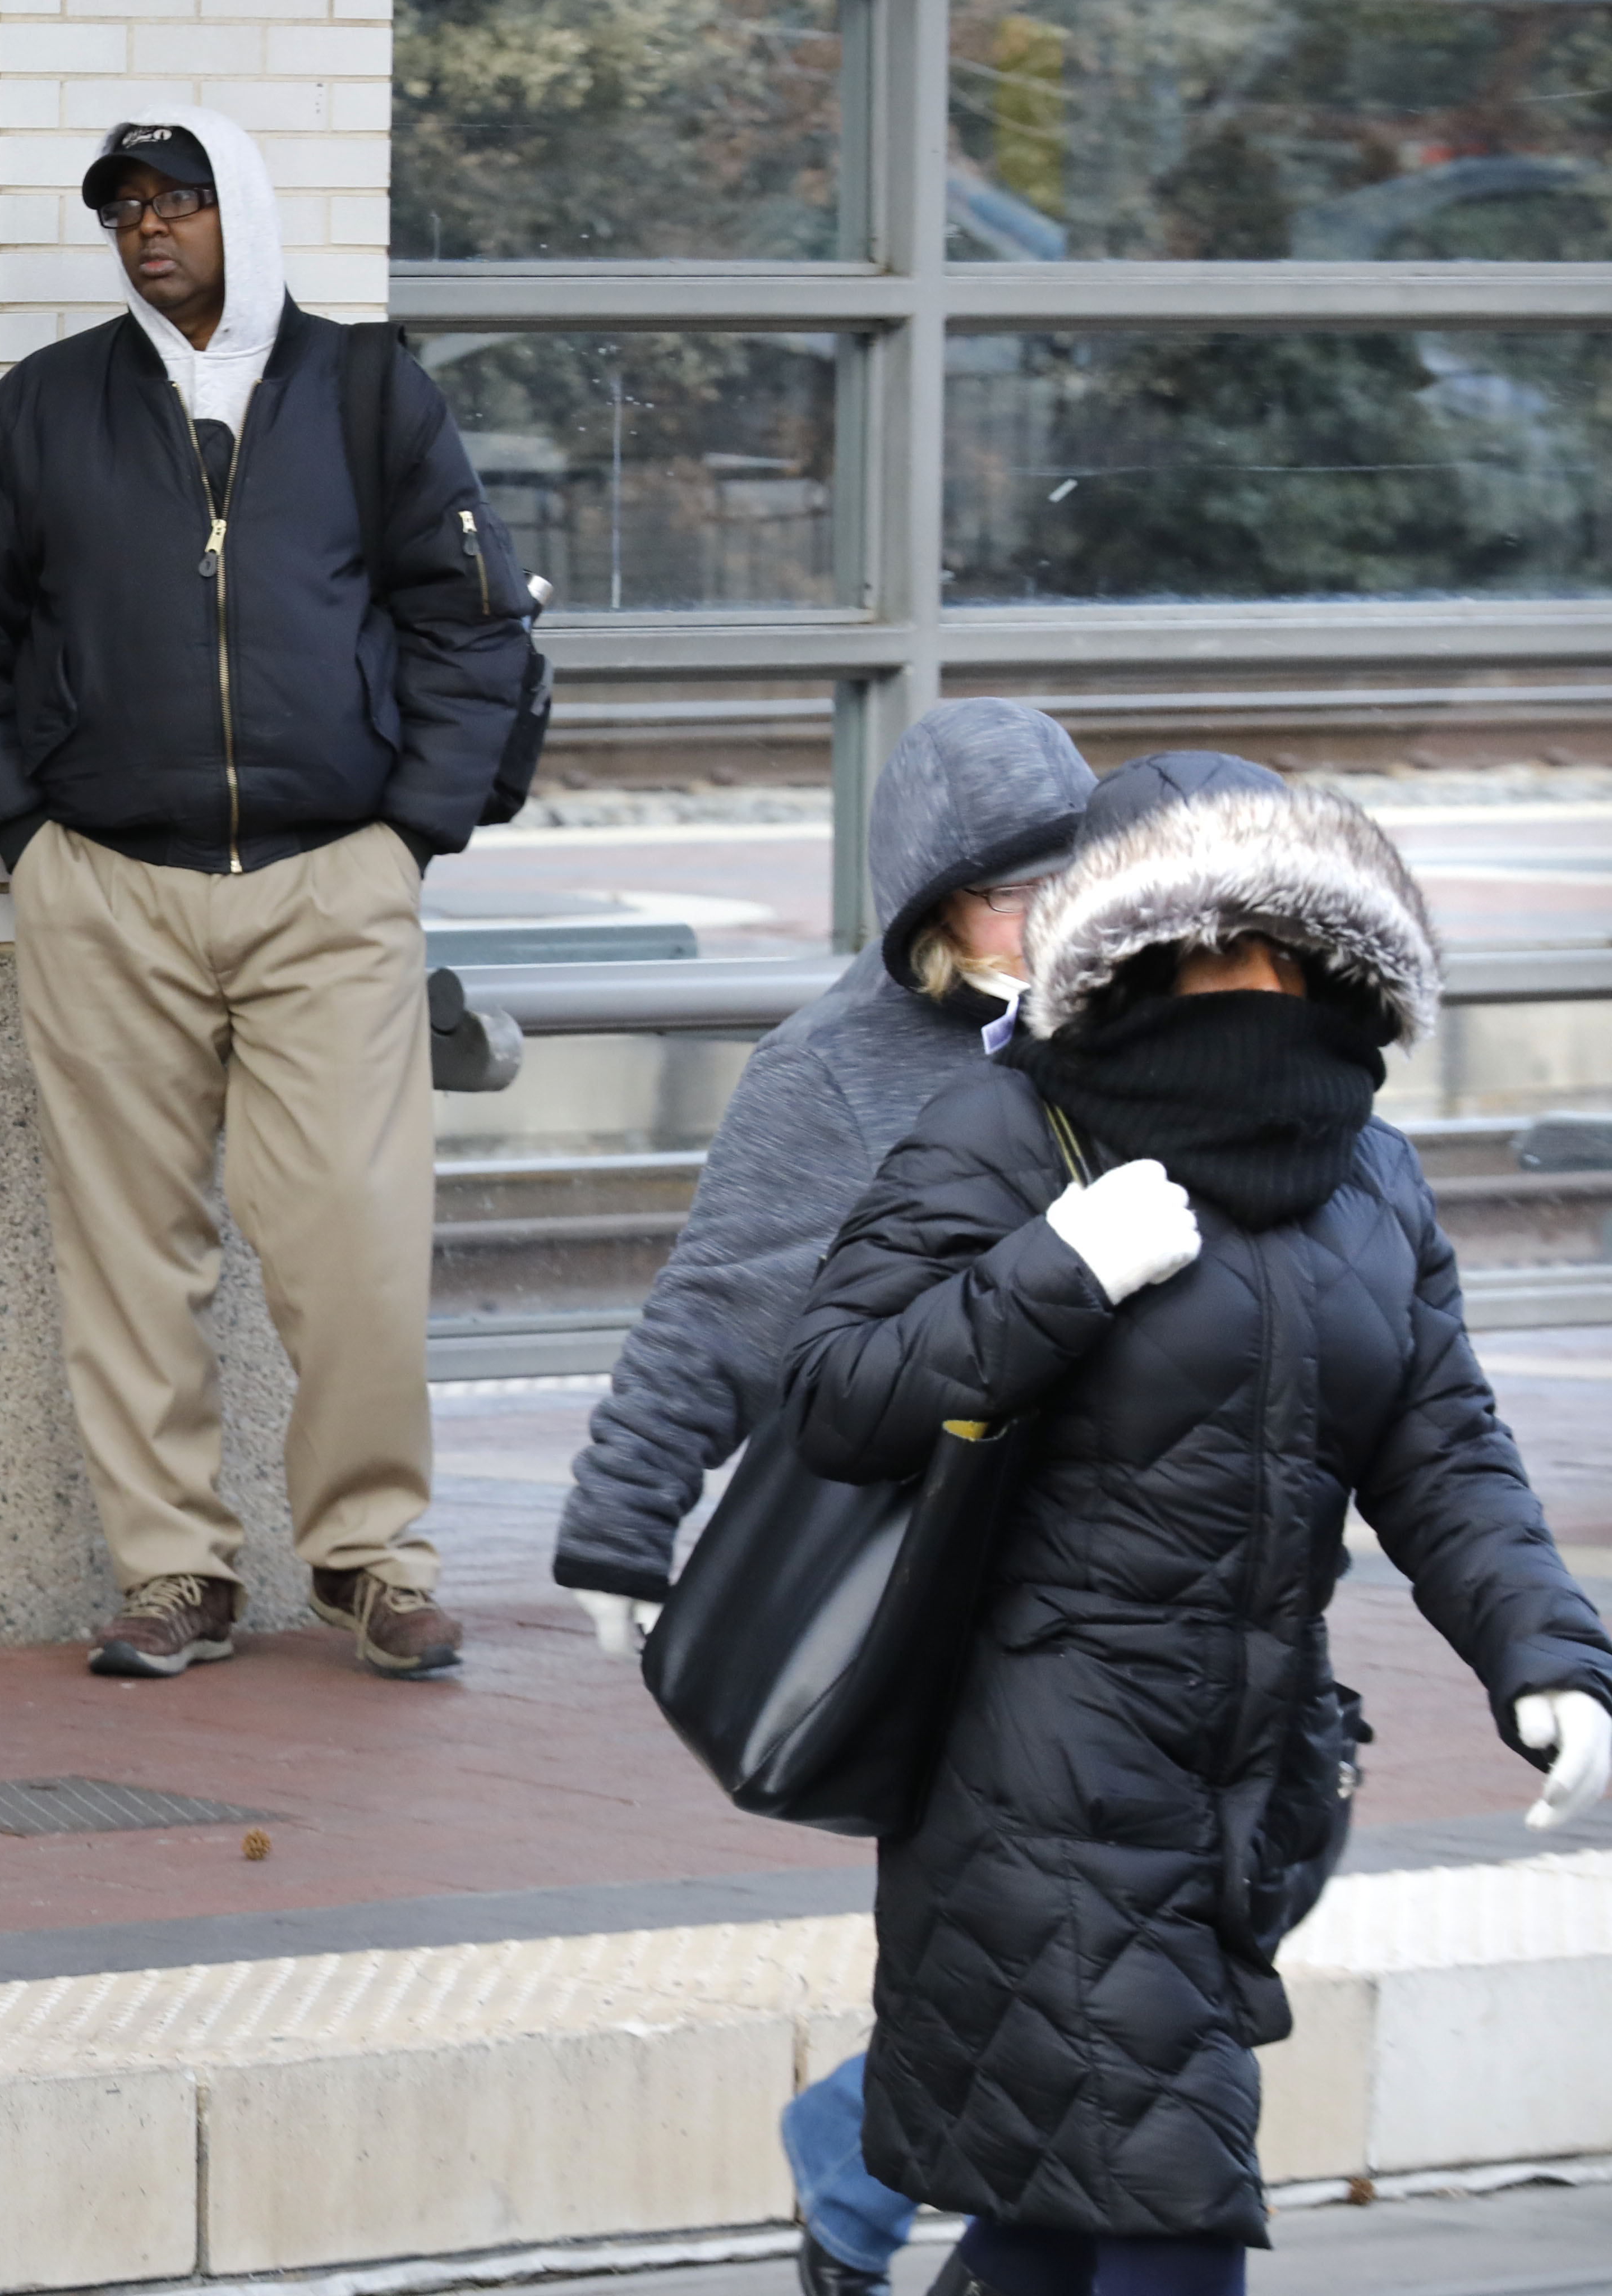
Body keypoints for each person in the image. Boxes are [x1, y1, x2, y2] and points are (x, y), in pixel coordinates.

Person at [785, 781, 1612, 2296]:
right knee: (1170, 2201)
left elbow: (1444, 1449)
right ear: (1137, 953)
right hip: (1037, 1769)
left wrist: (1550, 1652)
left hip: (1253, 1770)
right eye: (1222, 943)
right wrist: (1058, 1271)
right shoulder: (1012, 1130)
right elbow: (837, 1395)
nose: (1260, 984)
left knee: (1057, 2213)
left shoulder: (1370, 1170)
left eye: (1290, 947)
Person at [0, 107, 536, 1682]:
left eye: (179, 199)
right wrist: (25, 833)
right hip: (107, 887)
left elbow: (472, 626)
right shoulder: (40, 412)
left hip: (332, 883)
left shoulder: (369, 393)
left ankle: (371, 1558)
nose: (150, 228)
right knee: (130, 1251)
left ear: (242, 211)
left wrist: (409, 834)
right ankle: (173, 1570)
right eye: (125, 207)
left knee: (355, 1242)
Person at [544, 698, 1103, 2296]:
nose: (1047, 919)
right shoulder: (836, 1071)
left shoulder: (1142, 1018)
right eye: (1009, 892)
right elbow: (722, 1304)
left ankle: (862, 2162)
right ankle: (885, 2177)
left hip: (1146, 1541)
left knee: (1151, 1925)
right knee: (1056, 1933)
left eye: (1072, 878)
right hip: (955, 1567)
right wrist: (623, 1516)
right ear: (933, 909)